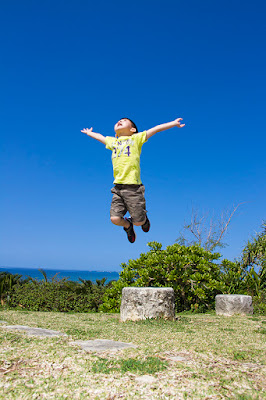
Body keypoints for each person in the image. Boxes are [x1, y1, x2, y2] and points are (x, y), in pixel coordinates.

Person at [81, 117, 185, 243]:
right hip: (117, 187)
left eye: (124, 121)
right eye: (118, 120)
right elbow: (100, 137)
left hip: (133, 187)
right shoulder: (113, 142)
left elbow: (156, 129)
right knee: (114, 219)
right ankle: (127, 226)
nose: (119, 121)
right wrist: (89, 133)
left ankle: (144, 219)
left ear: (133, 129)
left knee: (139, 222)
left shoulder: (136, 139)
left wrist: (173, 124)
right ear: (115, 133)